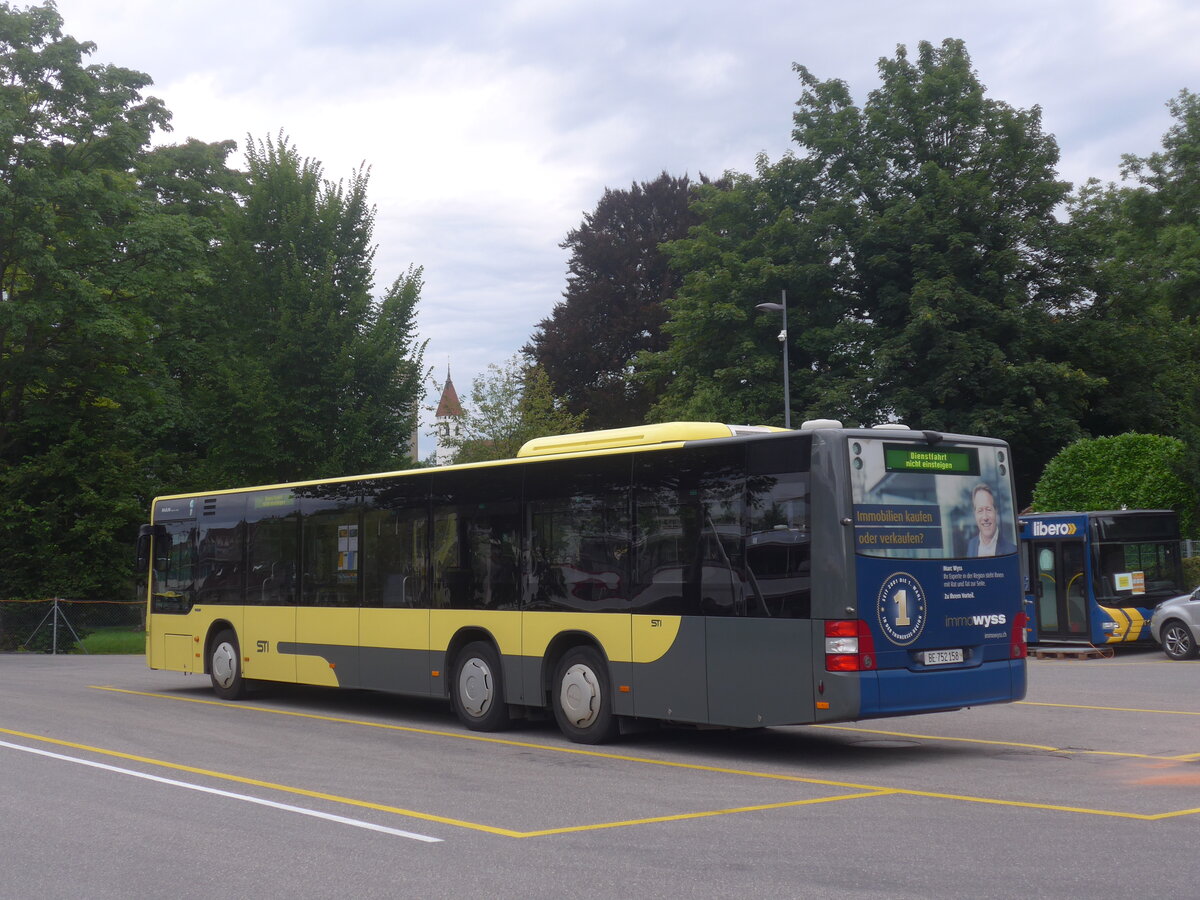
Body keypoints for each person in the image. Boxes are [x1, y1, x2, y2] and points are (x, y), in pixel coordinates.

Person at [967, 483, 1016, 556]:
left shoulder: (1012, 550)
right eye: (980, 510)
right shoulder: (971, 545)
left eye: (988, 509)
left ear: (996, 511)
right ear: (975, 514)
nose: (985, 517)